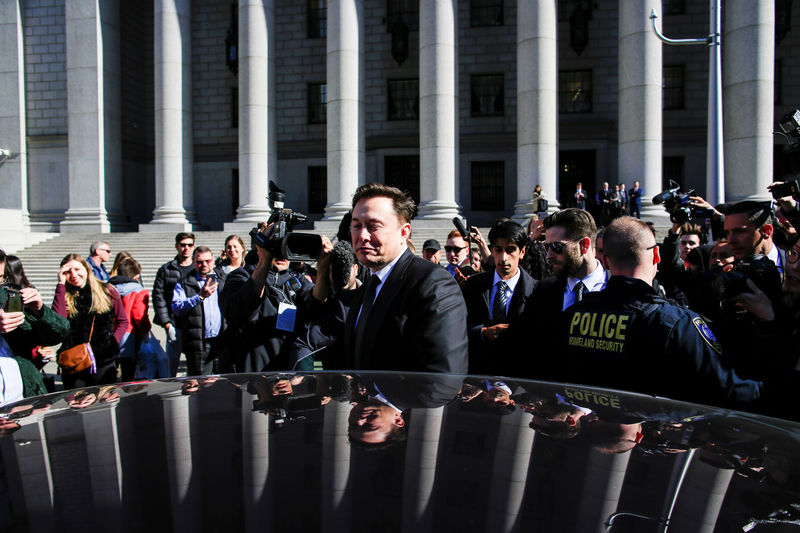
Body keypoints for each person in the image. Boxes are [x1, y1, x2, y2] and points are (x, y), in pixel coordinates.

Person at [555, 216, 765, 409]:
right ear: (656, 254)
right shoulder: (678, 324)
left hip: (592, 427)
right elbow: (729, 389)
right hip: (653, 433)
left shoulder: (573, 314)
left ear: (606, 261)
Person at [342, 182, 468, 373]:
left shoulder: (434, 284)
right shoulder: (366, 289)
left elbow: (444, 374)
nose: (362, 236)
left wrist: (386, 402)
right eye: (356, 225)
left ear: (404, 232)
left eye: (373, 226)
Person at [220, 238, 316, 372]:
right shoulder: (240, 276)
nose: (281, 255)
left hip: (287, 372)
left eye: (285, 248)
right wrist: (263, 261)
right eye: (276, 249)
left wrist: (323, 267)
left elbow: (317, 303)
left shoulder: (296, 281)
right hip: (251, 374)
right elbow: (235, 310)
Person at [463, 219, 536, 375]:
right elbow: (459, 327)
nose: (503, 258)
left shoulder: (537, 290)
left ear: (522, 252)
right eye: (498, 250)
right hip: (478, 377)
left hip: (520, 380)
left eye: (510, 250)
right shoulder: (473, 285)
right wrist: (481, 332)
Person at [53, 254, 129, 389]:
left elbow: (122, 321)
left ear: (86, 269)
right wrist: (60, 285)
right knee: (76, 405)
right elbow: (58, 322)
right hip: (74, 360)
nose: (73, 275)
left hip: (103, 361)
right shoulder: (64, 294)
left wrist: (111, 342)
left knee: (103, 405)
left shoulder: (107, 290)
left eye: (77, 269)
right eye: (67, 272)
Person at [0, 282, 69, 404]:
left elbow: (59, 334)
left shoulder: (7, 297)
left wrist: (40, 312)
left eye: (1, 277)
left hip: (24, 402)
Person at [171, 246, 226, 376]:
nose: (204, 265)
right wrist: (199, 297)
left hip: (222, 340)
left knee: (224, 383)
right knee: (201, 382)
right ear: (193, 262)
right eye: (199, 262)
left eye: (208, 261)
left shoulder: (223, 279)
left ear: (213, 260)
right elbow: (177, 308)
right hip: (199, 343)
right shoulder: (185, 283)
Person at [152, 232, 195, 376]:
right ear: (177, 246)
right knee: (172, 366)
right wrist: (166, 323)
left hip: (194, 324)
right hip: (174, 323)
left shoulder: (198, 268)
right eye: (183, 245)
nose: (186, 248)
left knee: (193, 366)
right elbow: (159, 296)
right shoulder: (166, 269)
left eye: (190, 245)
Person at [108, 258, 151, 382]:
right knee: (129, 374)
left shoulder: (107, 288)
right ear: (136, 275)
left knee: (110, 372)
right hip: (129, 335)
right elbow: (139, 316)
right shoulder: (138, 290)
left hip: (109, 333)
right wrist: (146, 329)